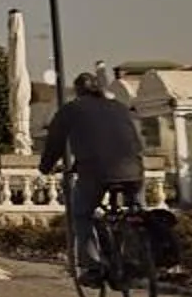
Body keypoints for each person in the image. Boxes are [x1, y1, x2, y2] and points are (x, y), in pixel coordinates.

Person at [40, 69, 145, 280]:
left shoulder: (71, 110)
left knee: (81, 213)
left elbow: (55, 141)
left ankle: (92, 267)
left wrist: (46, 166)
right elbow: (137, 141)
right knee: (137, 213)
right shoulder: (119, 107)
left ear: (78, 91)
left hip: (96, 171)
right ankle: (137, 258)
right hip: (134, 169)